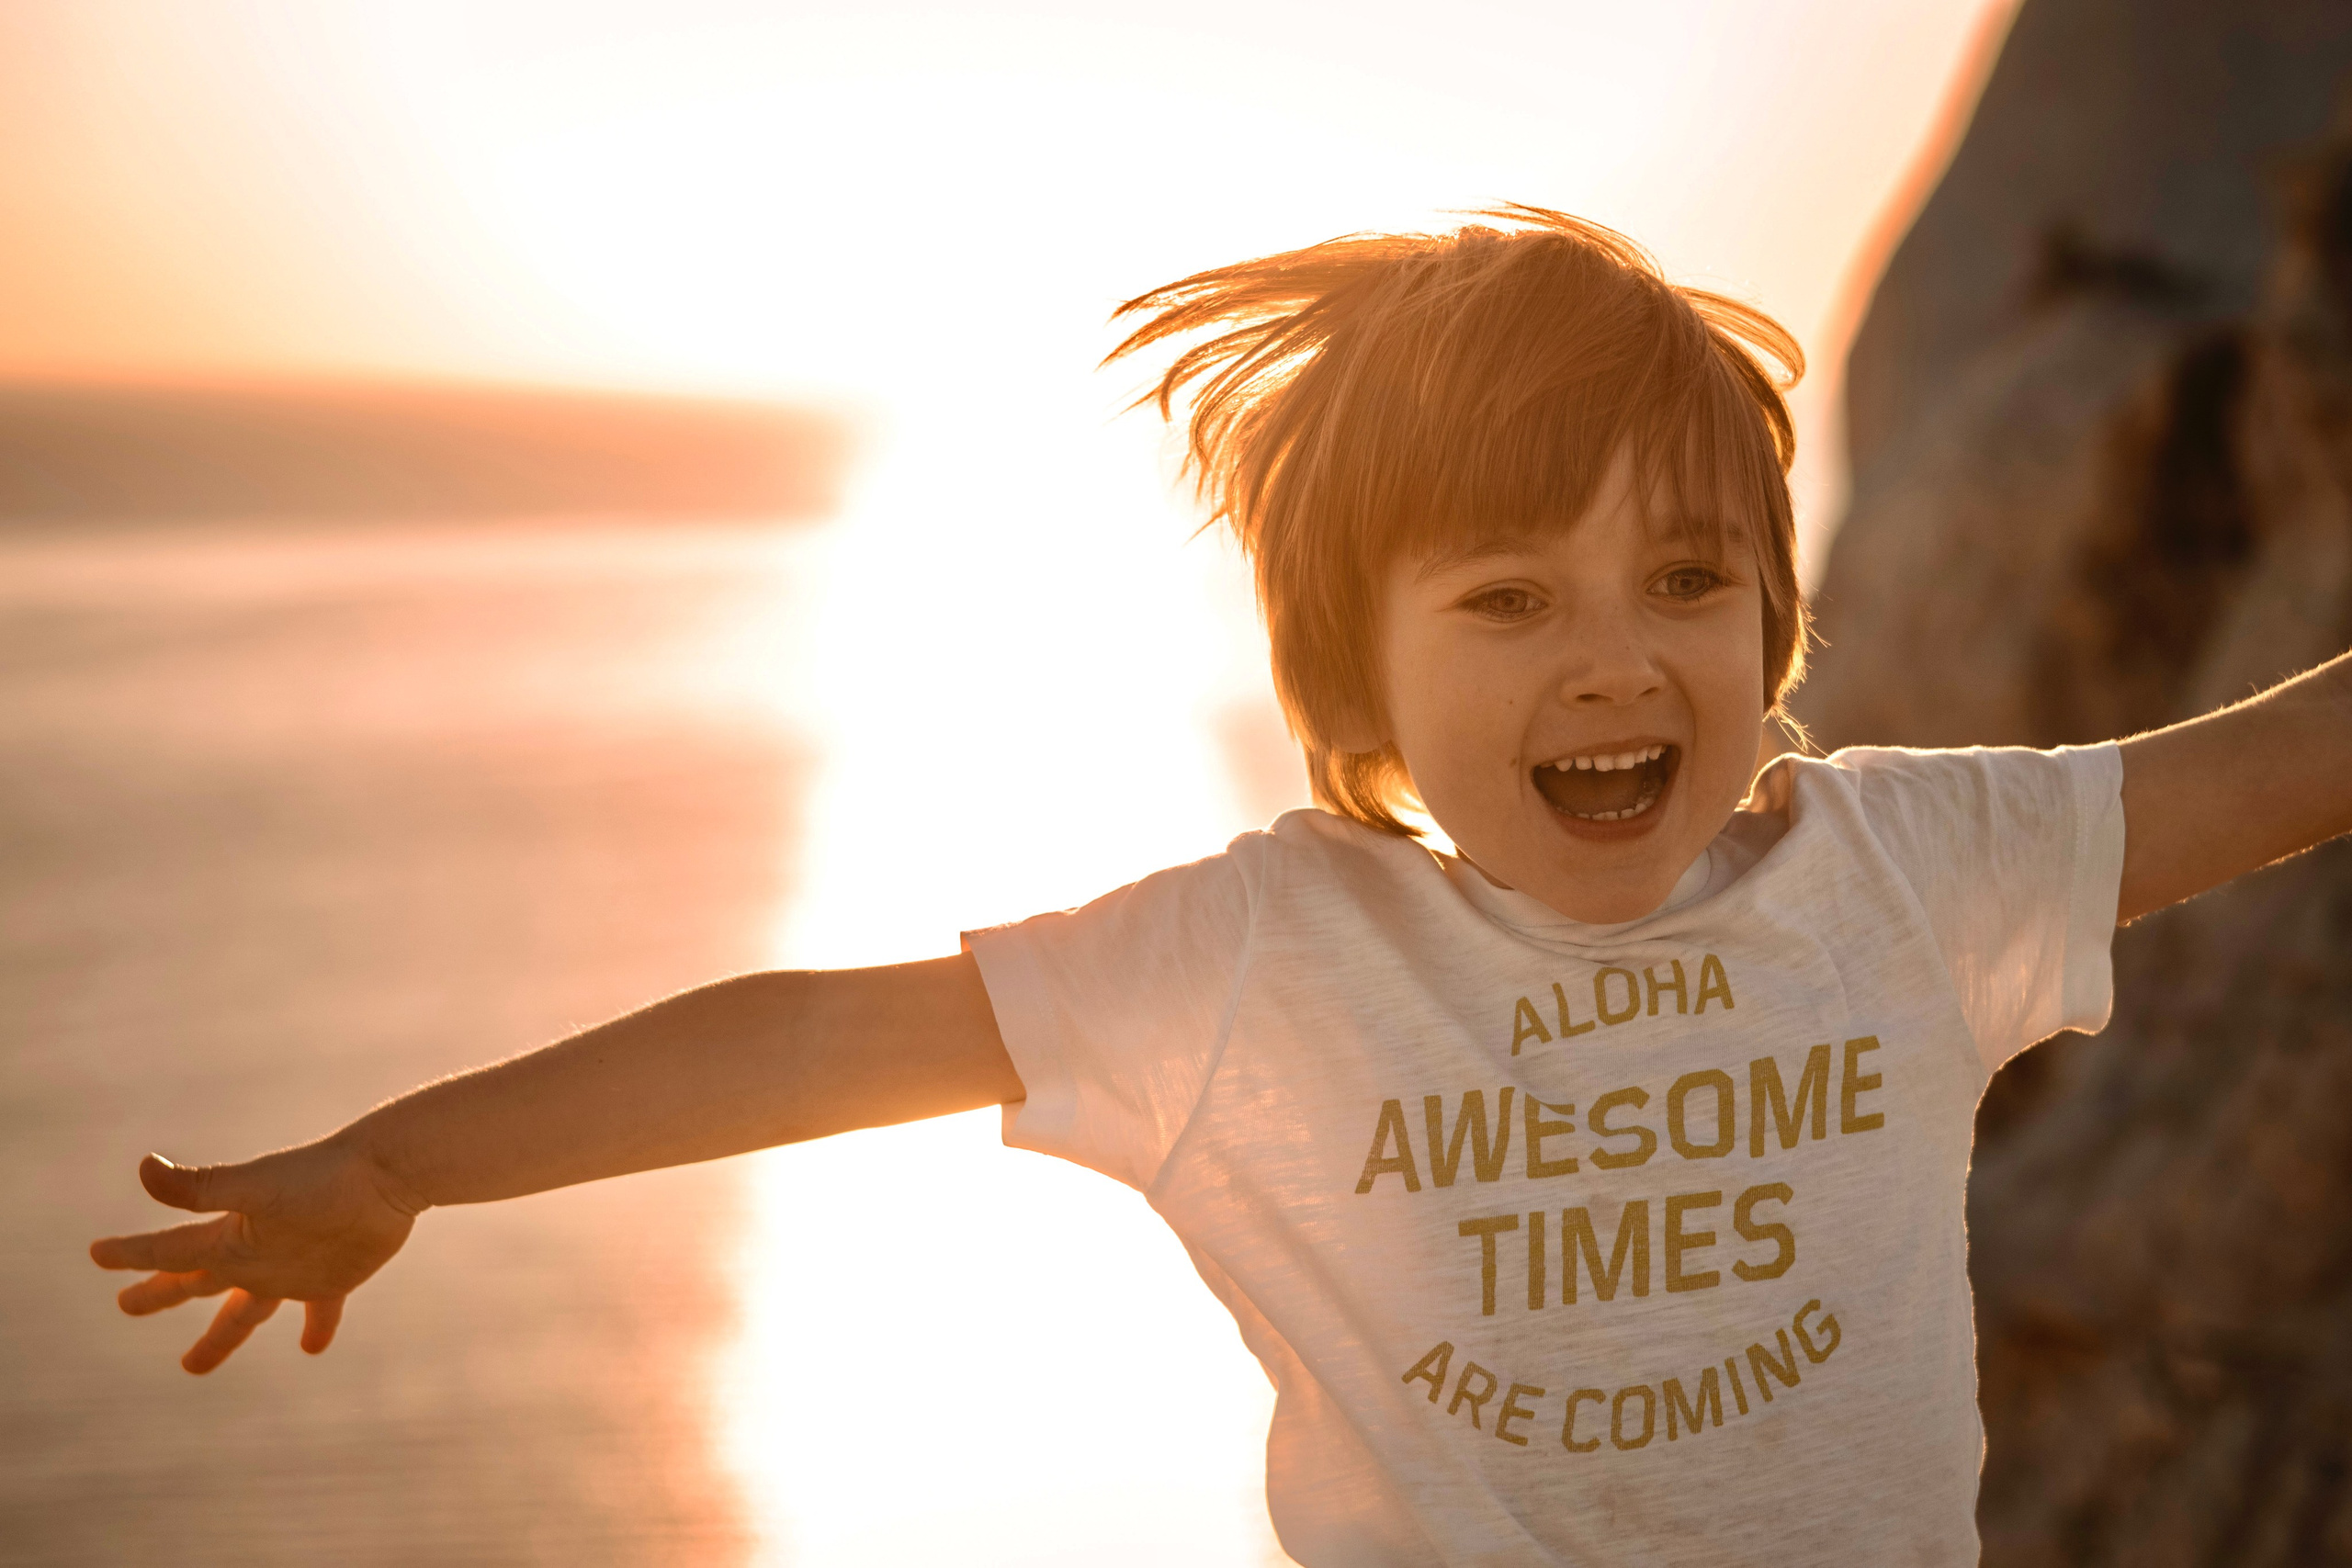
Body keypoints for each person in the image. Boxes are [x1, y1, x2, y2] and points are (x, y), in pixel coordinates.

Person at [91, 207, 2352, 1565]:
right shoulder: (1270, 957)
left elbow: (2276, 765)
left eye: (1685, 576)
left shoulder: (1902, 867)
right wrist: (404, 1158)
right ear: (1348, 682)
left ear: (1774, 621)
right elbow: (806, 1033)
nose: (1612, 651)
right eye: (1504, 597)